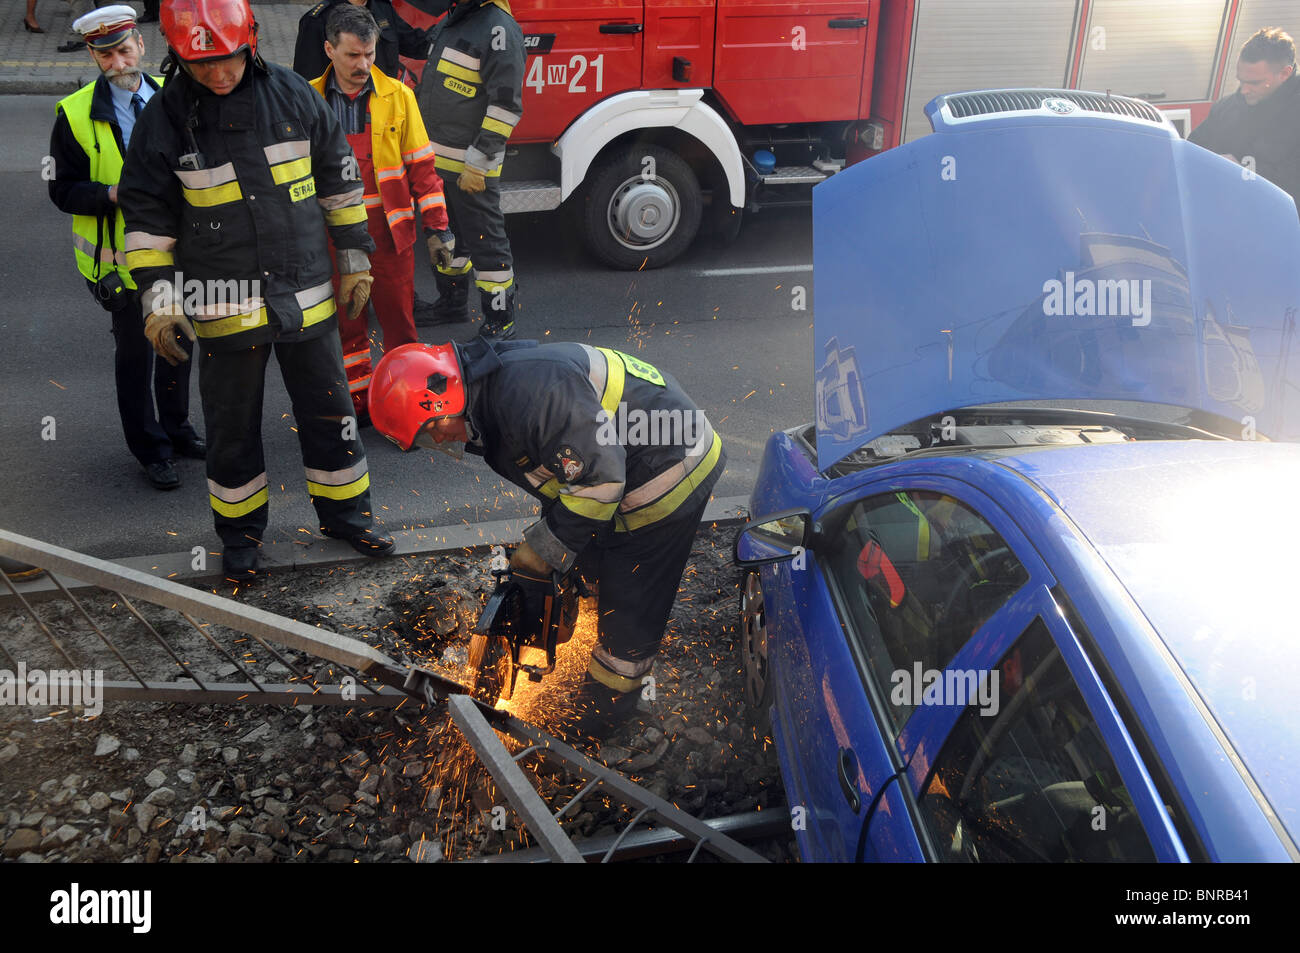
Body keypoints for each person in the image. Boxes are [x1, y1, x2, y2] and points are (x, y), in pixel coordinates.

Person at [119, 0, 394, 582]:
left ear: (249, 43)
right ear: (177, 57)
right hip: (224, 304)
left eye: (227, 61)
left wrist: (353, 258)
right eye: (201, 66)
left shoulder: (293, 95)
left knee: (330, 412)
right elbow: (145, 218)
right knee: (231, 427)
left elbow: (338, 174)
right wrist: (161, 302)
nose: (218, 75)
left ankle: (349, 515)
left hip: (305, 295)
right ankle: (241, 538)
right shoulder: (163, 120)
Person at [369, 339, 726, 736]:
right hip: (619, 468)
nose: (436, 441)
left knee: (629, 605)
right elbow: (564, 476)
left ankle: (603, 720)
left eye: (431, 429)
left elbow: (601, 481)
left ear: (444, 395)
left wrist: (542, 549)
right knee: (584, 558)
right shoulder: (487, 396)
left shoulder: (532, 394)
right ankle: (594, 618)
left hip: (670, 467)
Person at [48, 5, 204, 492]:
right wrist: (112, 194)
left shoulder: (172, 98)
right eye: (105, 55)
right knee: (136, 355)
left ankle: (177, 430)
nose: (117, 63)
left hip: (176, 253)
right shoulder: (74, 114)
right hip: (119, 265)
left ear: (141, 45)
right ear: (94, 57)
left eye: (123, 50)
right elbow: (61, 190)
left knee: (178, 342)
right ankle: (150, 448)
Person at [309, 3, 454, 422]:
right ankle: (358, 406)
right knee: (348, 327)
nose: (363, 64)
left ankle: (406, 405)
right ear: (329, 50)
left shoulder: (398, 96)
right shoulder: (308, 99)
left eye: (369, 55)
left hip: (390, 234)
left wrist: (438, 229)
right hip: (333, 235)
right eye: (353, 55)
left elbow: (423, 169)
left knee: (401, 328)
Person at [414, 0, 524, 339]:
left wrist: (479, 161)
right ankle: (451, 303)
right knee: (449, 237)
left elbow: (506, 105)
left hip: (471, 167)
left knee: (486, 242)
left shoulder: (498, 29)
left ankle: (500, 319)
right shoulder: (456, 19)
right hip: (438, 164)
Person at [1190, 27, 1300, 209]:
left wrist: (1241, 170)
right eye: (1241, 80)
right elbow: (1193, 150)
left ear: (1285, 74)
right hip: (1230, 218)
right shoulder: (1225, 109)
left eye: (1255, 82)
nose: (1244, 90)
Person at [293, 0, 427, 86]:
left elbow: (416, 43)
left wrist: (446, 32)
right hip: (339, 114)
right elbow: (307, 84)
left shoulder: (382, 8)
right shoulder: (317, 21)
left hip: (382, 111)